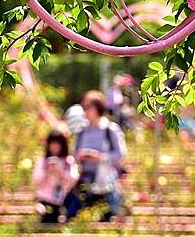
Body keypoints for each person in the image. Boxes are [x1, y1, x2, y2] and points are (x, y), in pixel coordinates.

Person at [66, 90, 127, 222]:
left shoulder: (110, 129)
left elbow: (120, 154)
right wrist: (82, 156)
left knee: (109, 217)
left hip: (106, 184)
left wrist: (100, 157)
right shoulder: (81, 131)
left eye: (87, 107)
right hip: (85, 182)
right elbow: (74, 154)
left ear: (96, 108)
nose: (84, 111)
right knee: (71, 216)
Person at [33, 130, 79, 223]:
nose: (55, 147)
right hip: (46, 200)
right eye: (52, 144)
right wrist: (47, 172)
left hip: (63, 200)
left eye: (57, 144)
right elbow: (37, 182)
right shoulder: (43, 162)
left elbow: (73, 181)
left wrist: (59, 172)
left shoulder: (68, 161)